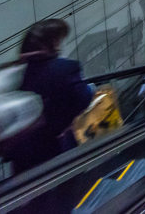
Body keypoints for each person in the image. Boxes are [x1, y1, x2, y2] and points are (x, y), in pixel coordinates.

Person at [12, 19, 93, 172]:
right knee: (66, 186)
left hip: (23, 155)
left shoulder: (17, 73)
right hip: (55, 146)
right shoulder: (65, 69)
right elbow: (83, 98)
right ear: (51, 42)